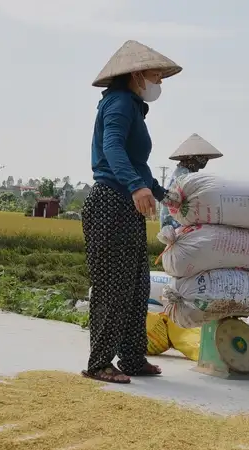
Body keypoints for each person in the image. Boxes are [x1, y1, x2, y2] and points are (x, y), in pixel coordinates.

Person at [81, 40, 182, 384]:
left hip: (126, 203)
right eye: (157, 75)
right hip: (111, 201)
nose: (160, 82)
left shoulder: (133, 106)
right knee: (112, 287)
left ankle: (132, 358)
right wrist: (136, 187)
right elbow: (111, 148)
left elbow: (138, 163)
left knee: (137, 286)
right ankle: (99, 363)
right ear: (138, 74)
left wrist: (160, 192)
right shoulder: (121, 103)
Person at [159, 133, 224, 230]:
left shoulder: (184, 171)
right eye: (203, 158)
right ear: (194, 158)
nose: (205, 161)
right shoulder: (185, 175)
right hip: (174, 222)